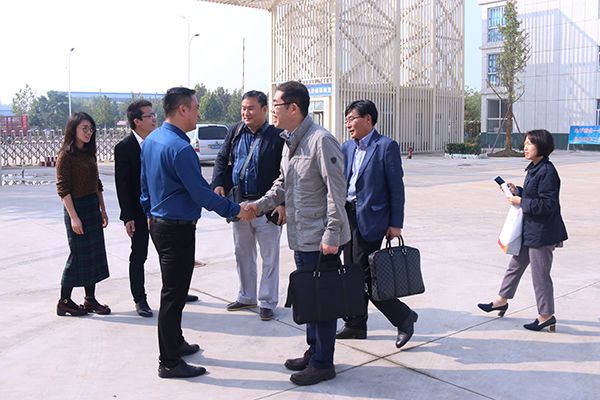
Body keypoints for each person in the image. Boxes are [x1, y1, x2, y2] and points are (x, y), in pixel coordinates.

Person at [140, 87, 255, 379]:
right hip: (176, 230)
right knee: (173, 295)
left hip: (160, 224)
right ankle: (168, 362)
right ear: (182, 110)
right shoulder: (180, 148)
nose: (198, 113)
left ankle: (175, 342)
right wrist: (235, 209)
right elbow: (202, 194)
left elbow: (144, 188)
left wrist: (149, 214)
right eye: (196, 108)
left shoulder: (153, 140)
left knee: (173, 290)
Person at [245, 81, 350, 386]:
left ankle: (322, 363)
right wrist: (258, 205)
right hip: (302, 237)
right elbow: (283, 184)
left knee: (323, 304)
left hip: (321, 241)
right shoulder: (290, 141)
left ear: (293, 108)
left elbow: (336, 192)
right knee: (310, 298)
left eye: (275, 105)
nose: (272, 111)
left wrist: (332, 233)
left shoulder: (321, 141)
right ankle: (314, 350)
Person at [336, 100, 418, 349]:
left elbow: (396, 189)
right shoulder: (346, 147)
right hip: (346, 217)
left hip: (371, 220)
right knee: (350, 273)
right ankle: (356, 324)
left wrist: (396, 223)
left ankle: (403, 316)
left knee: (366, 276)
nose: (348, 123)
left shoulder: (385, 147)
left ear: (368, 119)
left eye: (352, 118)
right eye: (347, 119)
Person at [478, 129, 568, 332]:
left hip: (542, 234)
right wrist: (518, 190)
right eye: (525, 143)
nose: (525, 147)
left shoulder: (547, 171)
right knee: (515, 266)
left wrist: (521, 201)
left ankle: (546, 315)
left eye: (530, 144)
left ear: (541, 147)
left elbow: (547, 205)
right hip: (530, 230)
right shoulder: (535, 168)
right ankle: (501, 300)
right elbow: (535, 194)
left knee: (540, 275)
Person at [115, 101, 198, 318]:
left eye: (154, 115)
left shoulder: (159, 140)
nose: (154, 119)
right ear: (136, 121)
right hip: (141, 213)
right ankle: (140, 299)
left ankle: (176, 290)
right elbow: (123, 186)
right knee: (139, 255)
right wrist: (128, 216)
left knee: (168, 256)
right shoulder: (124, 148)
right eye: (149, 116)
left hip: (164, 213)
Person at [211, 90, 284, 321]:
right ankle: (246, 296)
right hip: (239, 206)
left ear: (264, 110)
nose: (246, 112)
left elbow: (287, 173)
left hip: (267, 206)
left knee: (269, 257)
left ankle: (267, 302)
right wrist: (218, 183)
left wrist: (282, 204)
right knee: (242, 253)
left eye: (251, 108)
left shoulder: (278, 136)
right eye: (243, 108)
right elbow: (222, 159)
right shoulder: (235, 131)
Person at [55, 112, 111, 317]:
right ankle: (65, 301)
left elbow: (97, 184)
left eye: (91, 128)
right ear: (73, 130)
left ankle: (90, 299)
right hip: (75, 208)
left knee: (94, 254)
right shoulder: (65, 156)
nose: (89, 132)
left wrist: (103, 209)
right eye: (84, 128)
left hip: (91, 206)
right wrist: (74, 217)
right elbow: (63, 189)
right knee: (78, 255)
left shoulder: (89, 153)